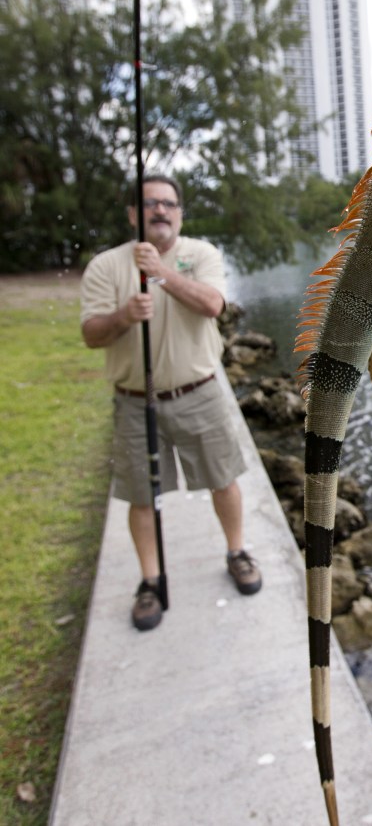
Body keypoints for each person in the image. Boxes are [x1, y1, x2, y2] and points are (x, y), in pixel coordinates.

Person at [80, 173, 262, 631]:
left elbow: (213, 305)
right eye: (148, 204)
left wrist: (161, 274)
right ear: (132, 214)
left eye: (168, 203)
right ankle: (150, 579)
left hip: (198, 392)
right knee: (141, 495)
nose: (159, 210)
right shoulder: (106, 266)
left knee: (224, 478)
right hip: (133, 402)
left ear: (180, 212)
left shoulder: (200, 255)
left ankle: (237, 551)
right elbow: (90, 334)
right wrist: (124, 316)